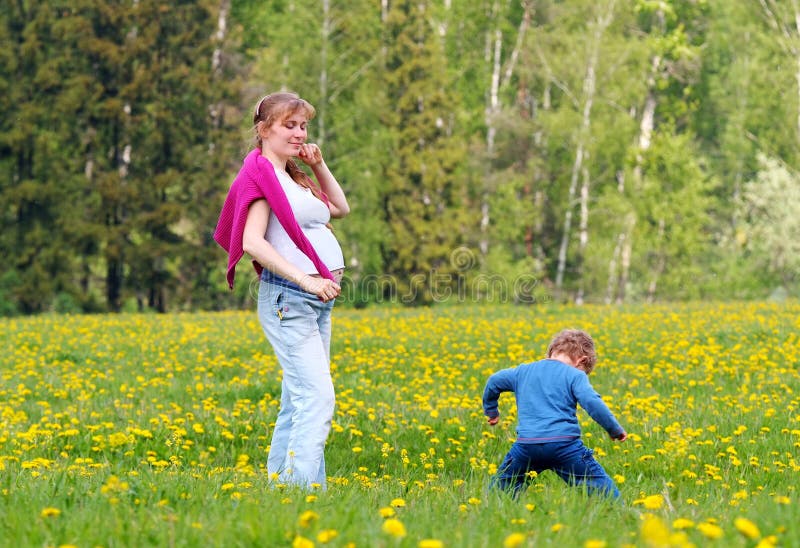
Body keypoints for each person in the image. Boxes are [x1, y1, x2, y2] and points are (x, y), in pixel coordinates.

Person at [213, 92, 350, 489]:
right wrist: (307, 279)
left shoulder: (293, 177)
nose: (299, 133)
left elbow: (338, 209)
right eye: (289, 125)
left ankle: (282, 489)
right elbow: (252, 242)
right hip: (289, 299)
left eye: (303, 126)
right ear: (263, 129)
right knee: (318, 398)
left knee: (298, 400)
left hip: (315, 302)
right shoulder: (260, 177)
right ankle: (304, 492)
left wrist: (319, 166)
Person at [482, 329, 627, 499]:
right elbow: (592, 402)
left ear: (552, 351)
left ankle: (492, 509)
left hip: (527, 445)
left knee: (503, 487)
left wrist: (491, 410)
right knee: (599, 486)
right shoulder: (575, 375)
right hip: (565, 446)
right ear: (582, 360)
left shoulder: (522, 371)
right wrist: (614, 429)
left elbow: (494, 381)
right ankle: (620, 512)